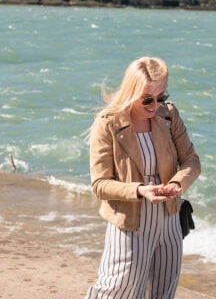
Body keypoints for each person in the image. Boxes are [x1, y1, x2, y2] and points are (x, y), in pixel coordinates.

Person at [85, 56, 201, 299]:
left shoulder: (168, 115)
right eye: (147, 99)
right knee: (116, 292)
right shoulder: (108, 123)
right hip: (130, 223)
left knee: (163, 293)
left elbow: (191, 161)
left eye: (162, 97)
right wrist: (140, 190)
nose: (155, 104)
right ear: (131, 91)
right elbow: (99, 184)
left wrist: (177, 184)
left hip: (169, 220)